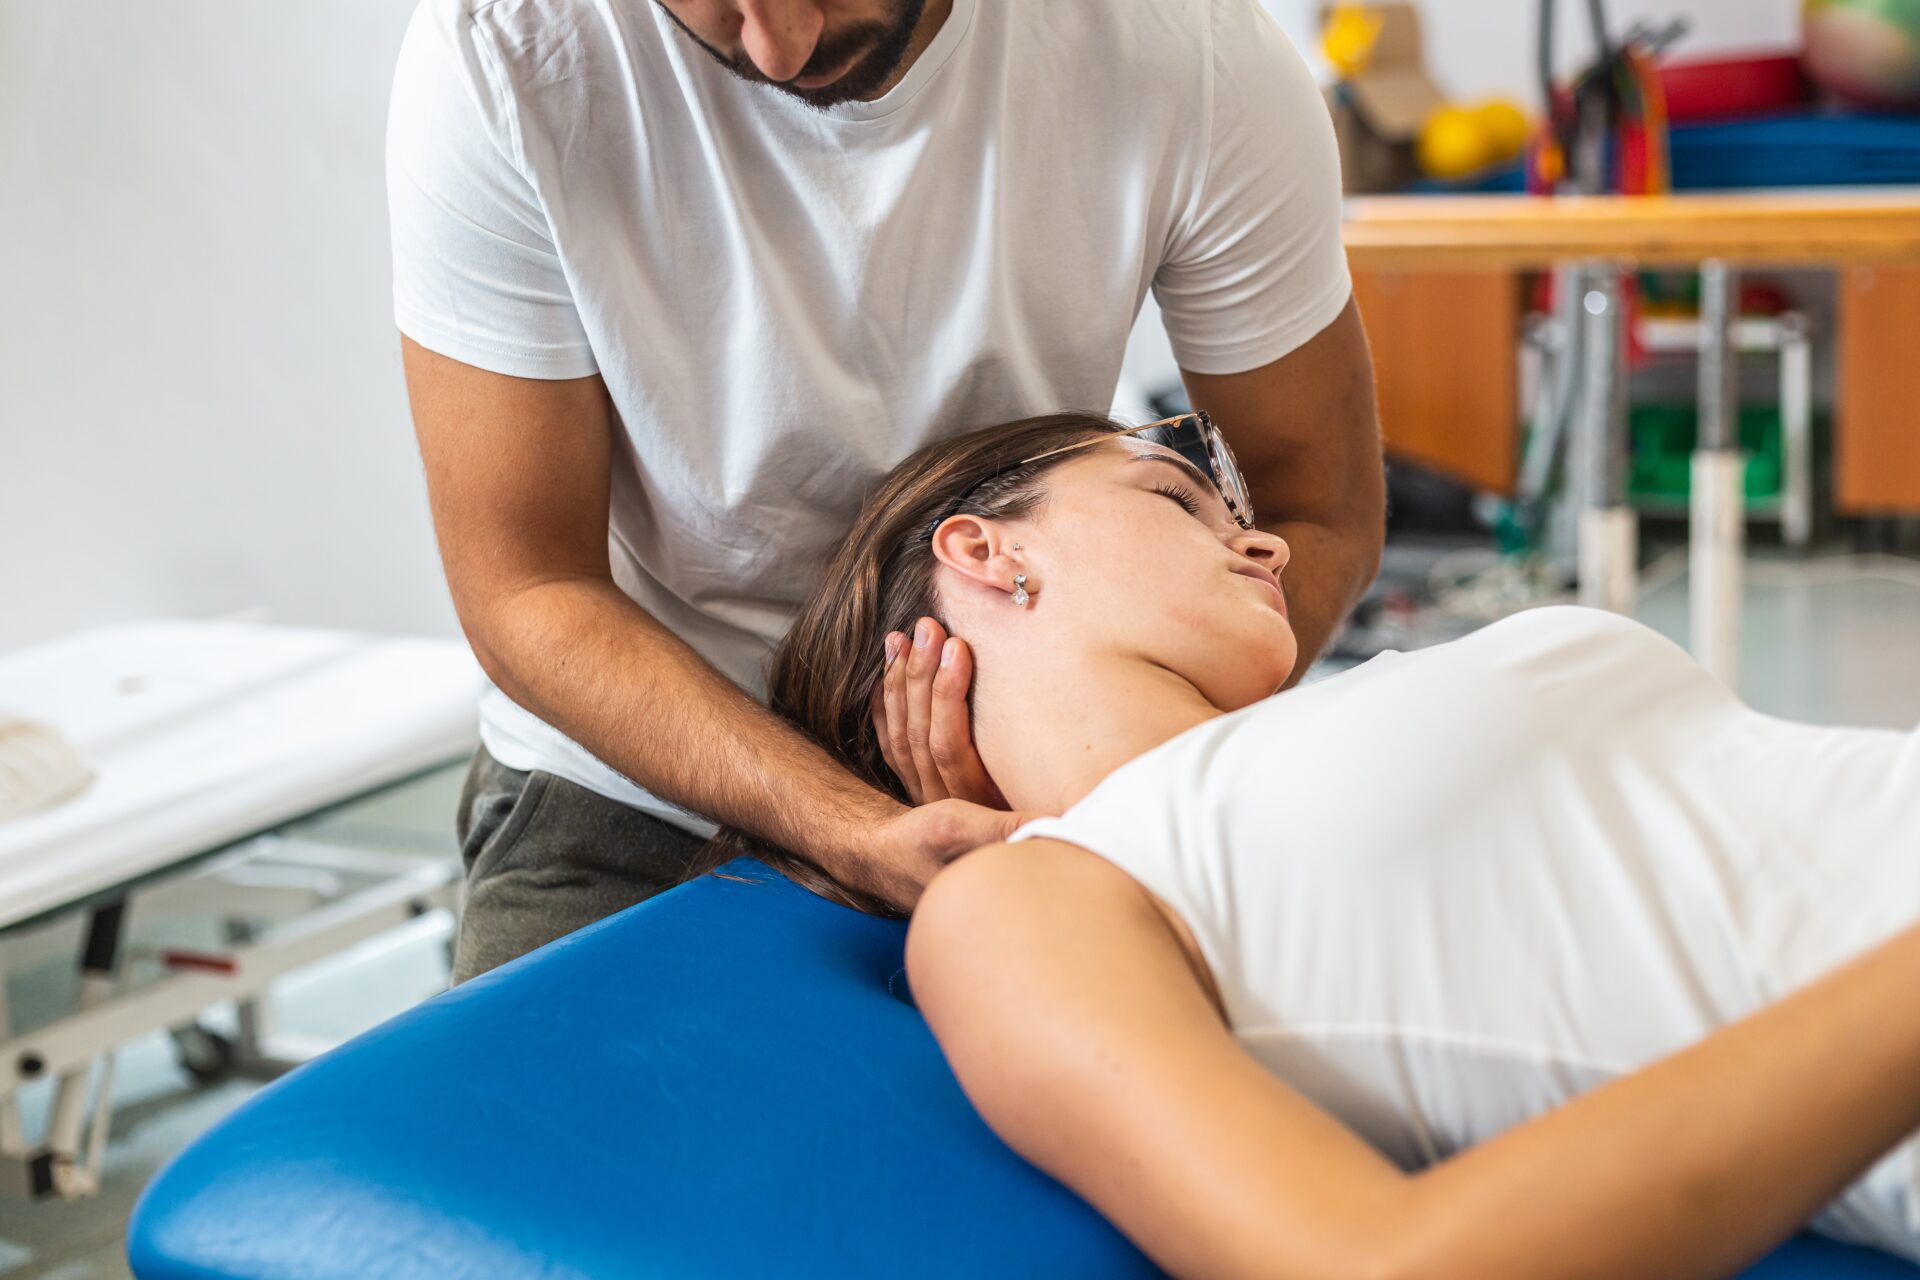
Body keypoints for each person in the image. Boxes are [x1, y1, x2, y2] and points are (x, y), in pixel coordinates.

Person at [710, 409, 1920, 1277]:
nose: (1271, 543)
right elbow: (1370, 1256)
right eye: (1177, 496)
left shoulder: (1327, 722)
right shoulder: (1038, 902)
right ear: (985, 550)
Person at [385, 0, 1384, 982]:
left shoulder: (1188, 50)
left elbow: (1318, 504)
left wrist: (1071, 762)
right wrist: (860, 825)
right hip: (642, 783)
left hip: (1052, 793)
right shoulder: (507, 54)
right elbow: (527, 590)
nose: (779, 46)